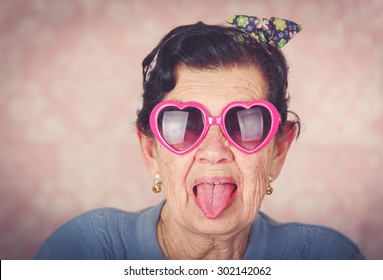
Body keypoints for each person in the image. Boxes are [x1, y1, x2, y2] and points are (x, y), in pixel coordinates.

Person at [36, 15, 365, 260]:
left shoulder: (326, 258)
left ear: (278, 151)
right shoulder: (84, 250)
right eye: (185, 124)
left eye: (244, 123)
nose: (213, 151)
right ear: (151, 150)